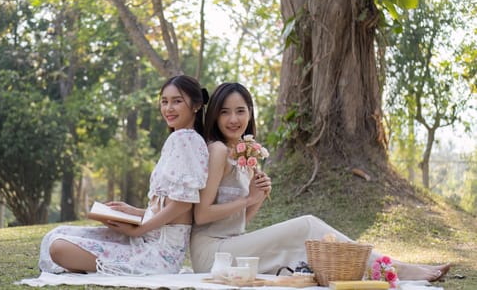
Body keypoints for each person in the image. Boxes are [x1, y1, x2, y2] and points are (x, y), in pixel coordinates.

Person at [190, 82, 450, 282]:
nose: (233, 119)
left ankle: (385, 267)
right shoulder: (218, 151)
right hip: (212, 254)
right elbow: (201, 216)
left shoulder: (248, 155)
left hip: (233, 245)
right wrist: (248, 199)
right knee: (307, 226)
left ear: (250, 114)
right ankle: (392, 267)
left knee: (304, 244)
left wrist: (256, 199)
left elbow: (240, 221)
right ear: (214, 116)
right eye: (225, 112)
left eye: (240, 111)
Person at [38, 75, 209, 275]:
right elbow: (168, 204)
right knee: (57, 234)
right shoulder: (179, 138)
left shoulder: (186, 139)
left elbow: (183, 205)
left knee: (59, 247)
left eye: (177, 101)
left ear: (196, 105)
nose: (168, 108)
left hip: (158, 253)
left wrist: (139, 229)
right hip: (146, 238)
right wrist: (132, 212)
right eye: (164, 102)